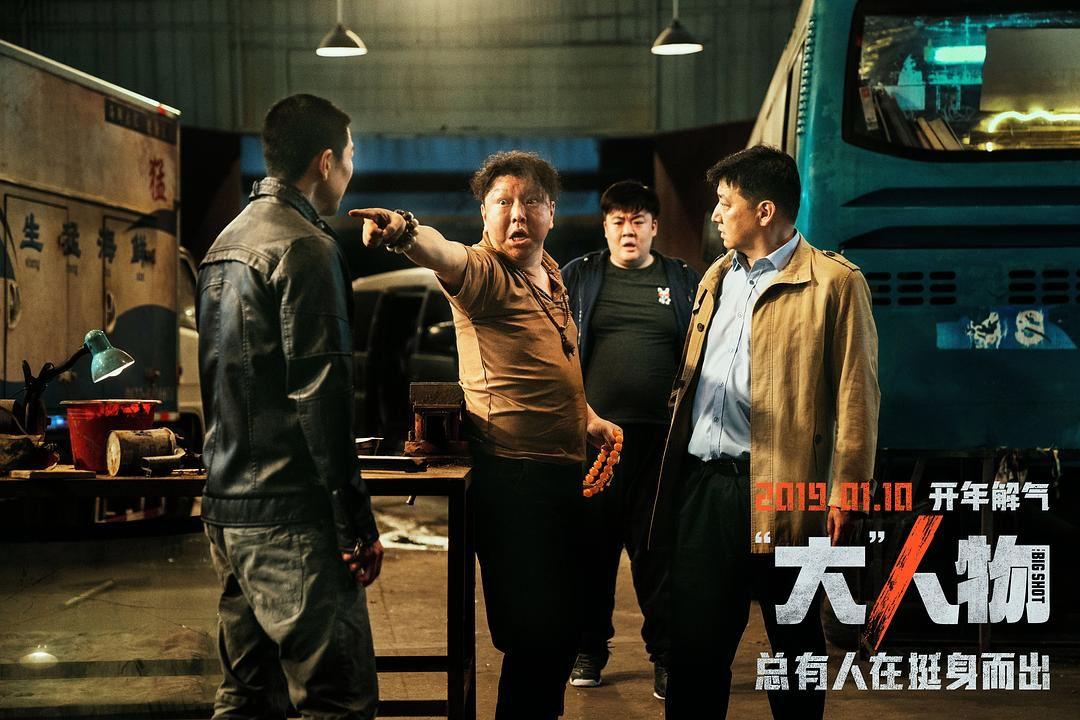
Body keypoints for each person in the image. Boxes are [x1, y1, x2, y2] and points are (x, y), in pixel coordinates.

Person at [350, 150, 622, 720]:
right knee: (533, 636)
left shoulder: (550, 274)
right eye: (503, 202)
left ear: (551, 211)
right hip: (514, 478)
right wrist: (403, 231)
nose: (517, 215)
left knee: (561, 631)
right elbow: (442, 253)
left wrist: (587, 417)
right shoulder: (484, 274)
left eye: (531, 202)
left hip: (559, 475)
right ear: (484, 212)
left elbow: (551, 364)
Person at [653, 145, 879, 718]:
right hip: (706, 489)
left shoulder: (833, 283)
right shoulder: (716, 277)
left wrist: (848, 491)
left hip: (785, 490)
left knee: (793, 645)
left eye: (725, 203)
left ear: (764, 210)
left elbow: (857, 394)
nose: (715, 214)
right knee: (695, 649)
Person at [197, 94, 384, 720]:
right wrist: (355, 524)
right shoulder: (306, 248)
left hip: (227, 511)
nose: (351, 169)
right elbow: (321, 395)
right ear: (326, 162)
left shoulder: (224, 244)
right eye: (350, 156)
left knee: (248, 698)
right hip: (292, 518)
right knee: (338, 701)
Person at [560, 180, 699, 699]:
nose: (628, 230)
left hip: (661, 443)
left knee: (657, 553)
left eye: (638, 220)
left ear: (654, 227)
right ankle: (588, 649)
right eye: (618, 221)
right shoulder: (580, 276)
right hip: (595, 441)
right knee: (591, 550)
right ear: (605, 227)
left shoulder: (681, 280)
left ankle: (667, 657)